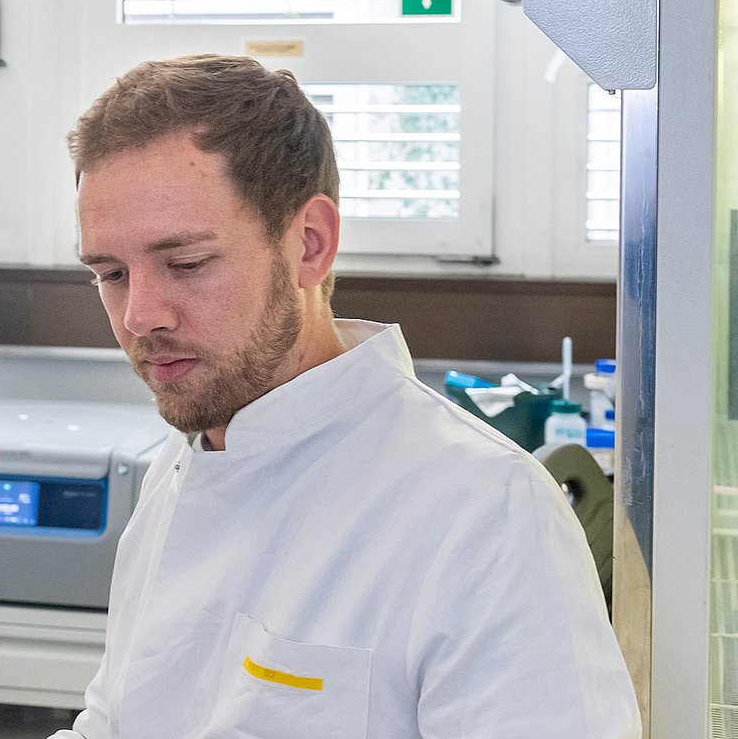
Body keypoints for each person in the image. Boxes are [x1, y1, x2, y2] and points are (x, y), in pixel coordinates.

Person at [50, 54, 640, 738]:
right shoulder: (175, 469)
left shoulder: (483, 511)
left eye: (186, 264)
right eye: (112, 272)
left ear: (310, 244)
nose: (139, 315)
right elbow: (115, 720)